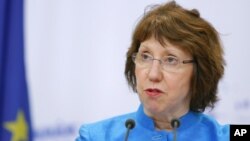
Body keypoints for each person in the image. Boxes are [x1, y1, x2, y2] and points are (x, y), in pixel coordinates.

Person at [76, 1, 229, 141]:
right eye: (145, 56)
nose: (153, 74)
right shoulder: (95, 136)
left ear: (199, 72)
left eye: (170, 60)